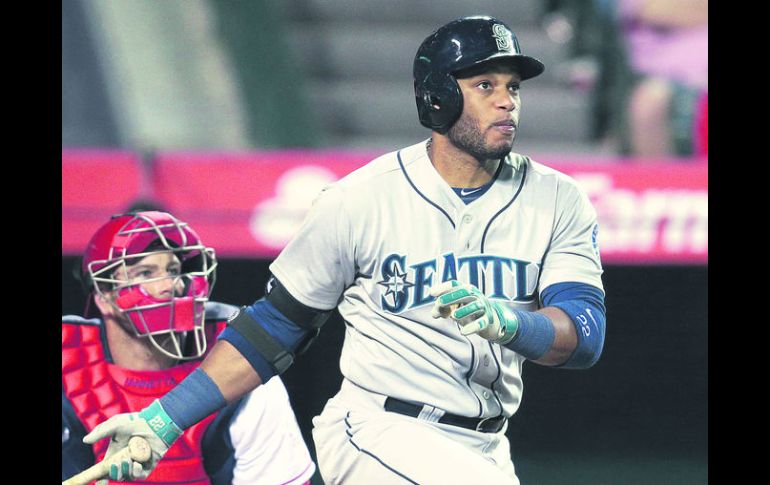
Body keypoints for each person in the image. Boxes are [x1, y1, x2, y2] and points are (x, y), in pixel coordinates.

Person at [82, 16, 606, 484]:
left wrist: (511, 324)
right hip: (380, 430)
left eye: (513, 86)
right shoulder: (359, 199)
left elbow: (585, 335)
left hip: (487, 445)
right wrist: (163, 420)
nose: (506, 100)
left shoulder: (558, 199)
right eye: (484, 85)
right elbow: (275, 326)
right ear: (439, 97)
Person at [62, 211, 316, 485]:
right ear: (103, 296)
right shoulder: (68, 358)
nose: (170, 285)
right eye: (146, 273)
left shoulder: (239, 363)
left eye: (174, 271)